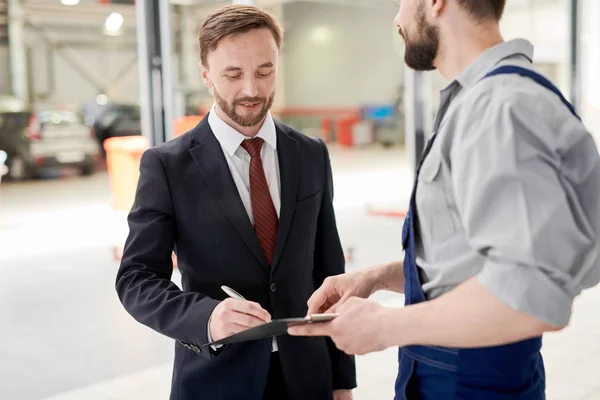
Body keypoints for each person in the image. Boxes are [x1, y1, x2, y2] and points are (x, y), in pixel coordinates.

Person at [289, 0, 600, 399]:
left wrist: (382, 327)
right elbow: (473, 262)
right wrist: (378, 277)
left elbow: (531, 295)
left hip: (472, 384)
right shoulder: (480, 100)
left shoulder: (501, 108)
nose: (397, 17)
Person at [115, 5, 356, 400]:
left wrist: (341, 379)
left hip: (307, 377)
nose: (252, 90)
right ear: (206, 73)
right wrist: (205, 317)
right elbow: (136, 279)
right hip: (218, 379)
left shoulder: (310, 154)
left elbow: (329, 269)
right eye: (233, 74)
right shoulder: (168, 166)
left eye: (265, 71)